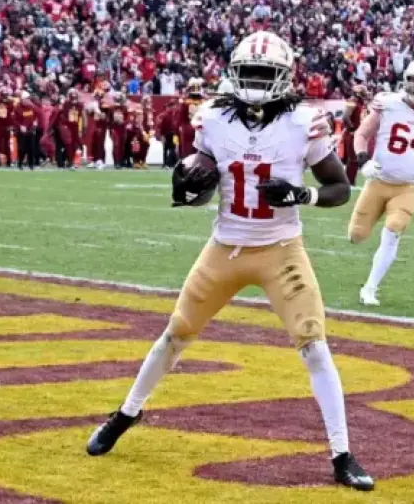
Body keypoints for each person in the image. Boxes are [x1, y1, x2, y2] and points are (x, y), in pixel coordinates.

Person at [86, 31, 374, 492]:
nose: (255, 82)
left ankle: (342, 454)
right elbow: (203, 185)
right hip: (224, 248)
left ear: (283, 77)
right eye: (249, 73)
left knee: (314, 344)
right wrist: (189, 185)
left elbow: (339, 187)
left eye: (264, 74)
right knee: (175, 334)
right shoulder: (214, 119)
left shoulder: (304, 122)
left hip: (281, 250)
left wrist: (301, 195)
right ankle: (125, 414)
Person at [348, 59, 414, 306]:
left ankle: (370, 288)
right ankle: (368, 281)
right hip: (378, 182)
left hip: (408, 186)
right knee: (356, 235)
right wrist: (363, 160)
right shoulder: (387, 104)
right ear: (405, 80)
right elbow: (361, 134)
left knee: (394, 229)